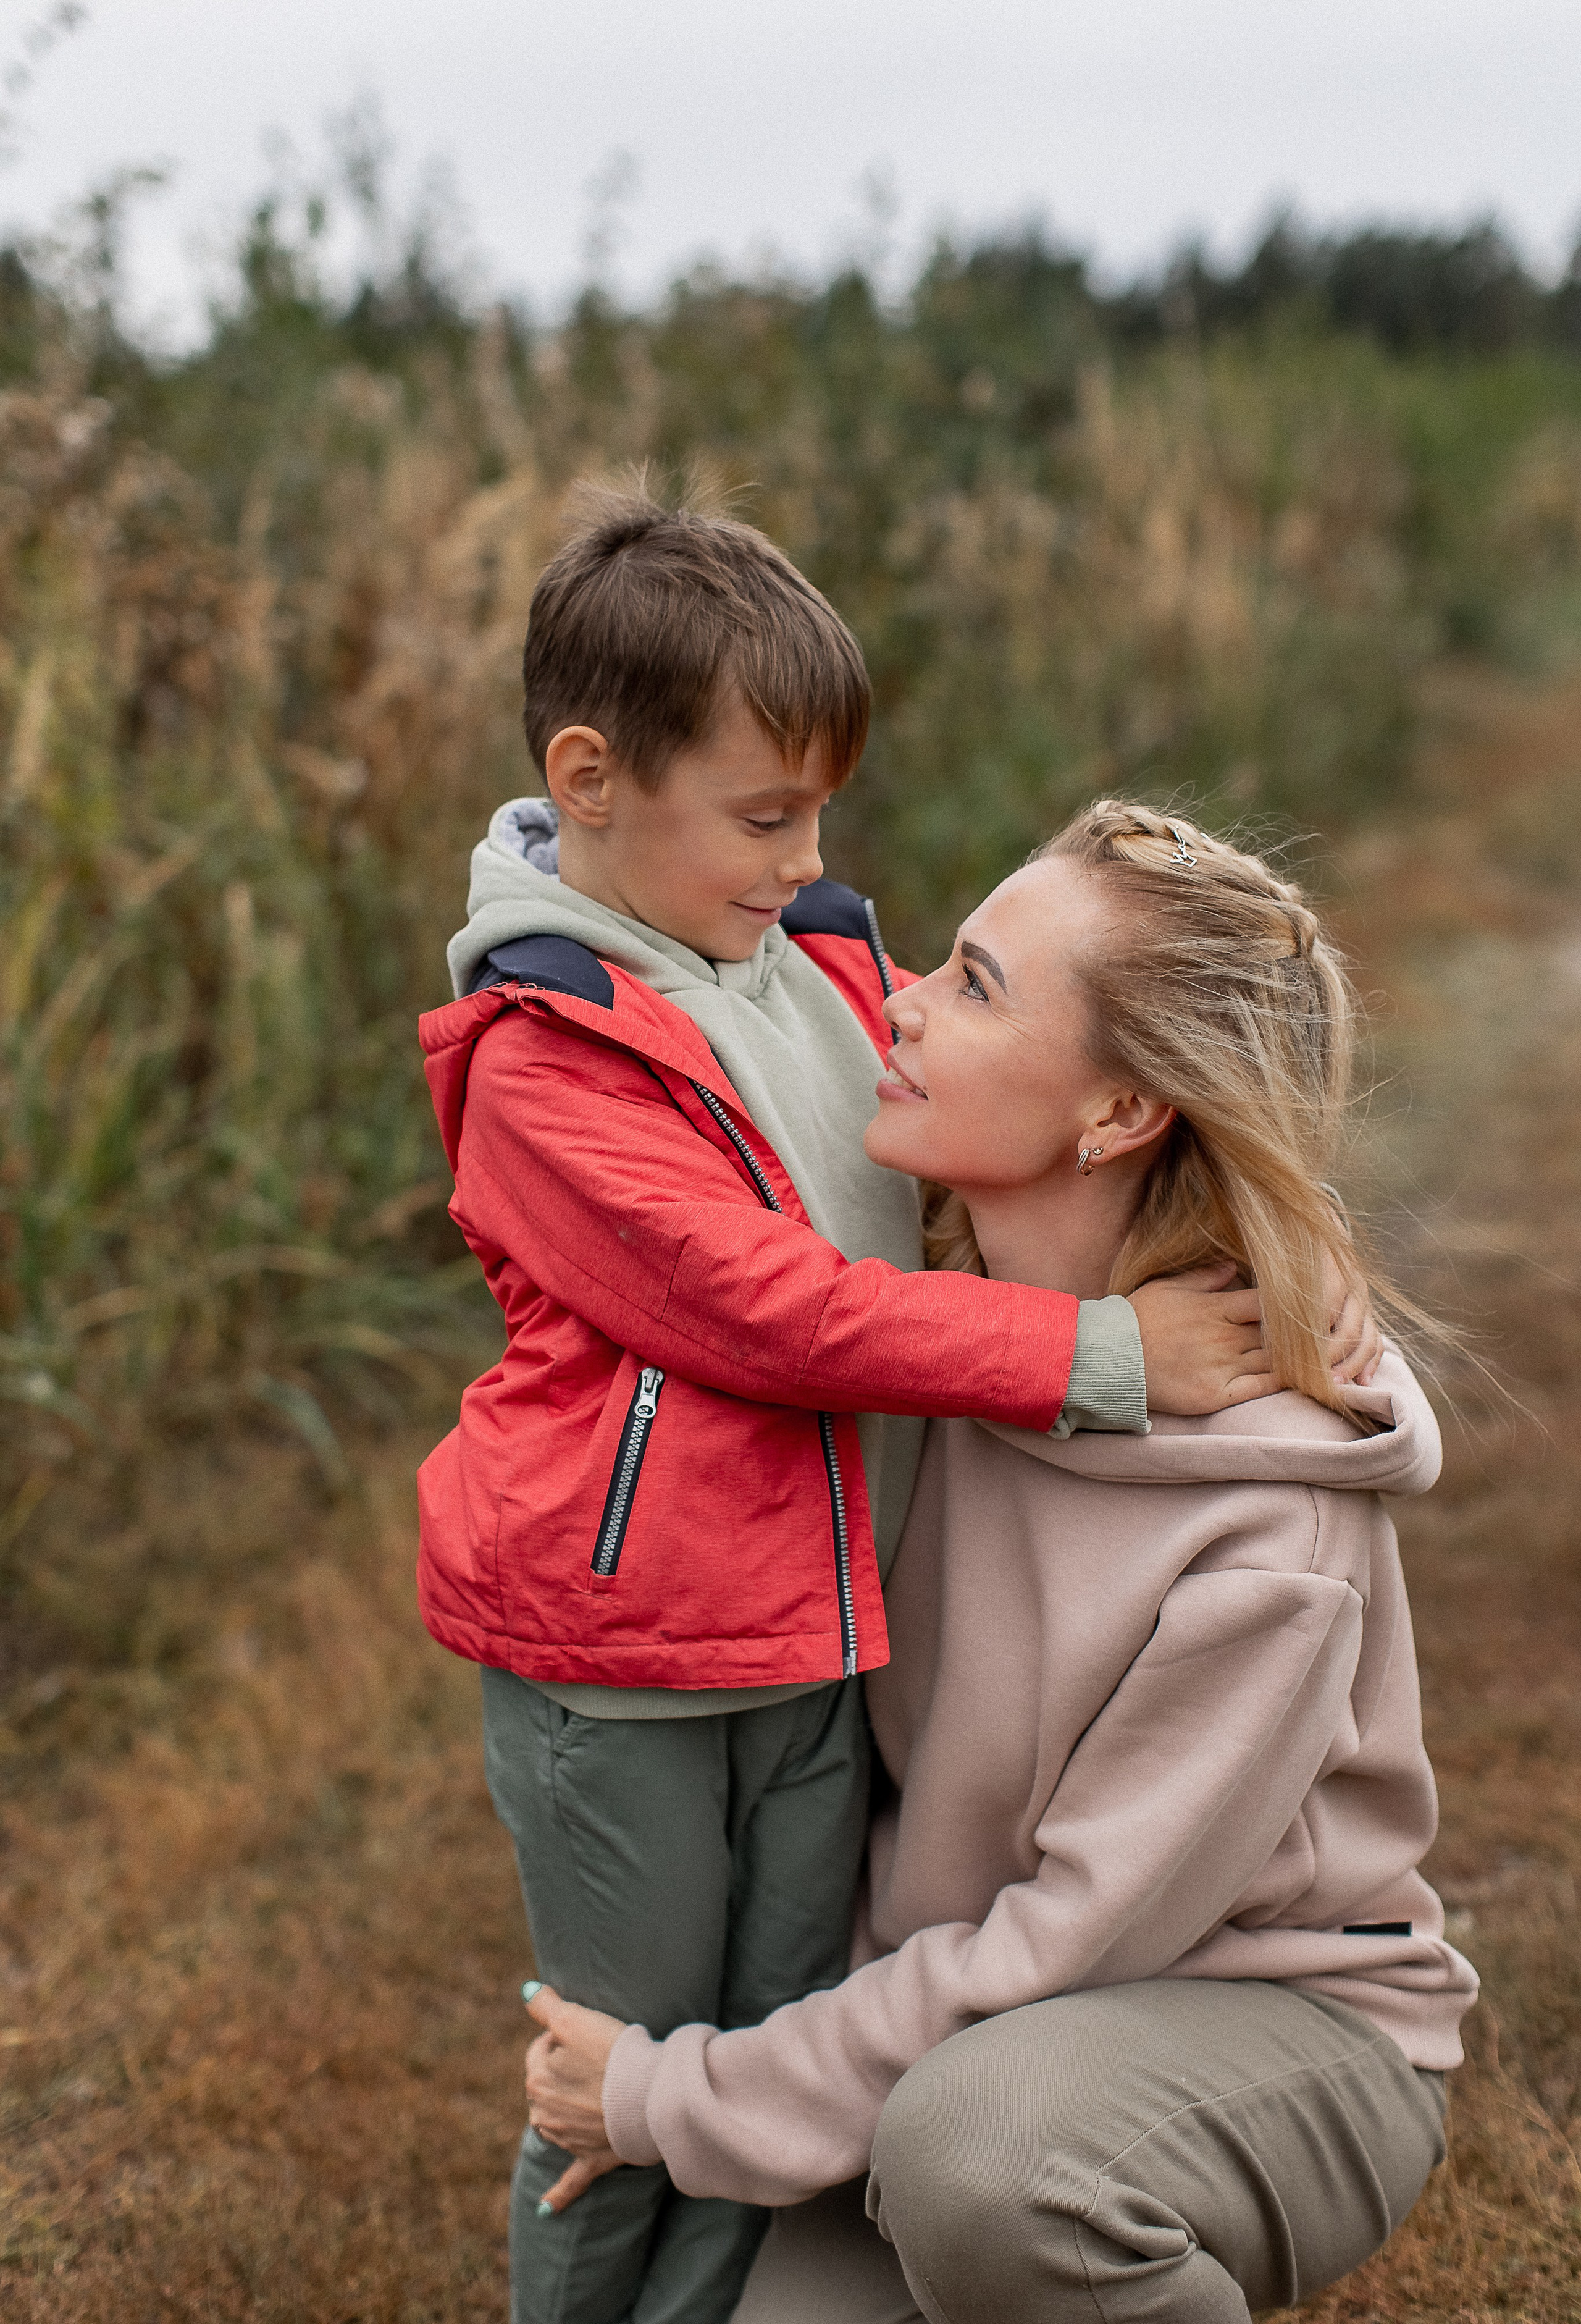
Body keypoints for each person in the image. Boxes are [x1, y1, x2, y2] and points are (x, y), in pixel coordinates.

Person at [417, 500, 1380, 2324]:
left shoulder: (805, 965)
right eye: (768, 817)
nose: (812, 861)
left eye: (820, 814)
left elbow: (1003, 1137)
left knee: (751, 2059)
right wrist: (1105, 1363)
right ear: (591, 779)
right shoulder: (547, 1052)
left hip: (805, 1640)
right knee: (616, 2087)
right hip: (624, 1660)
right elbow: (755, 1305)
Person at [518, 802, 1476, 2324]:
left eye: (971, 984)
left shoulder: (1270, 1528)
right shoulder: (933, 1343)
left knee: (982, 2172)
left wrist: (674, 2099)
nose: (894, 999)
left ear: (1112, 1116)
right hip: (961, 2041)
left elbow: (1061, 1944)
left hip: (1269, 2026)